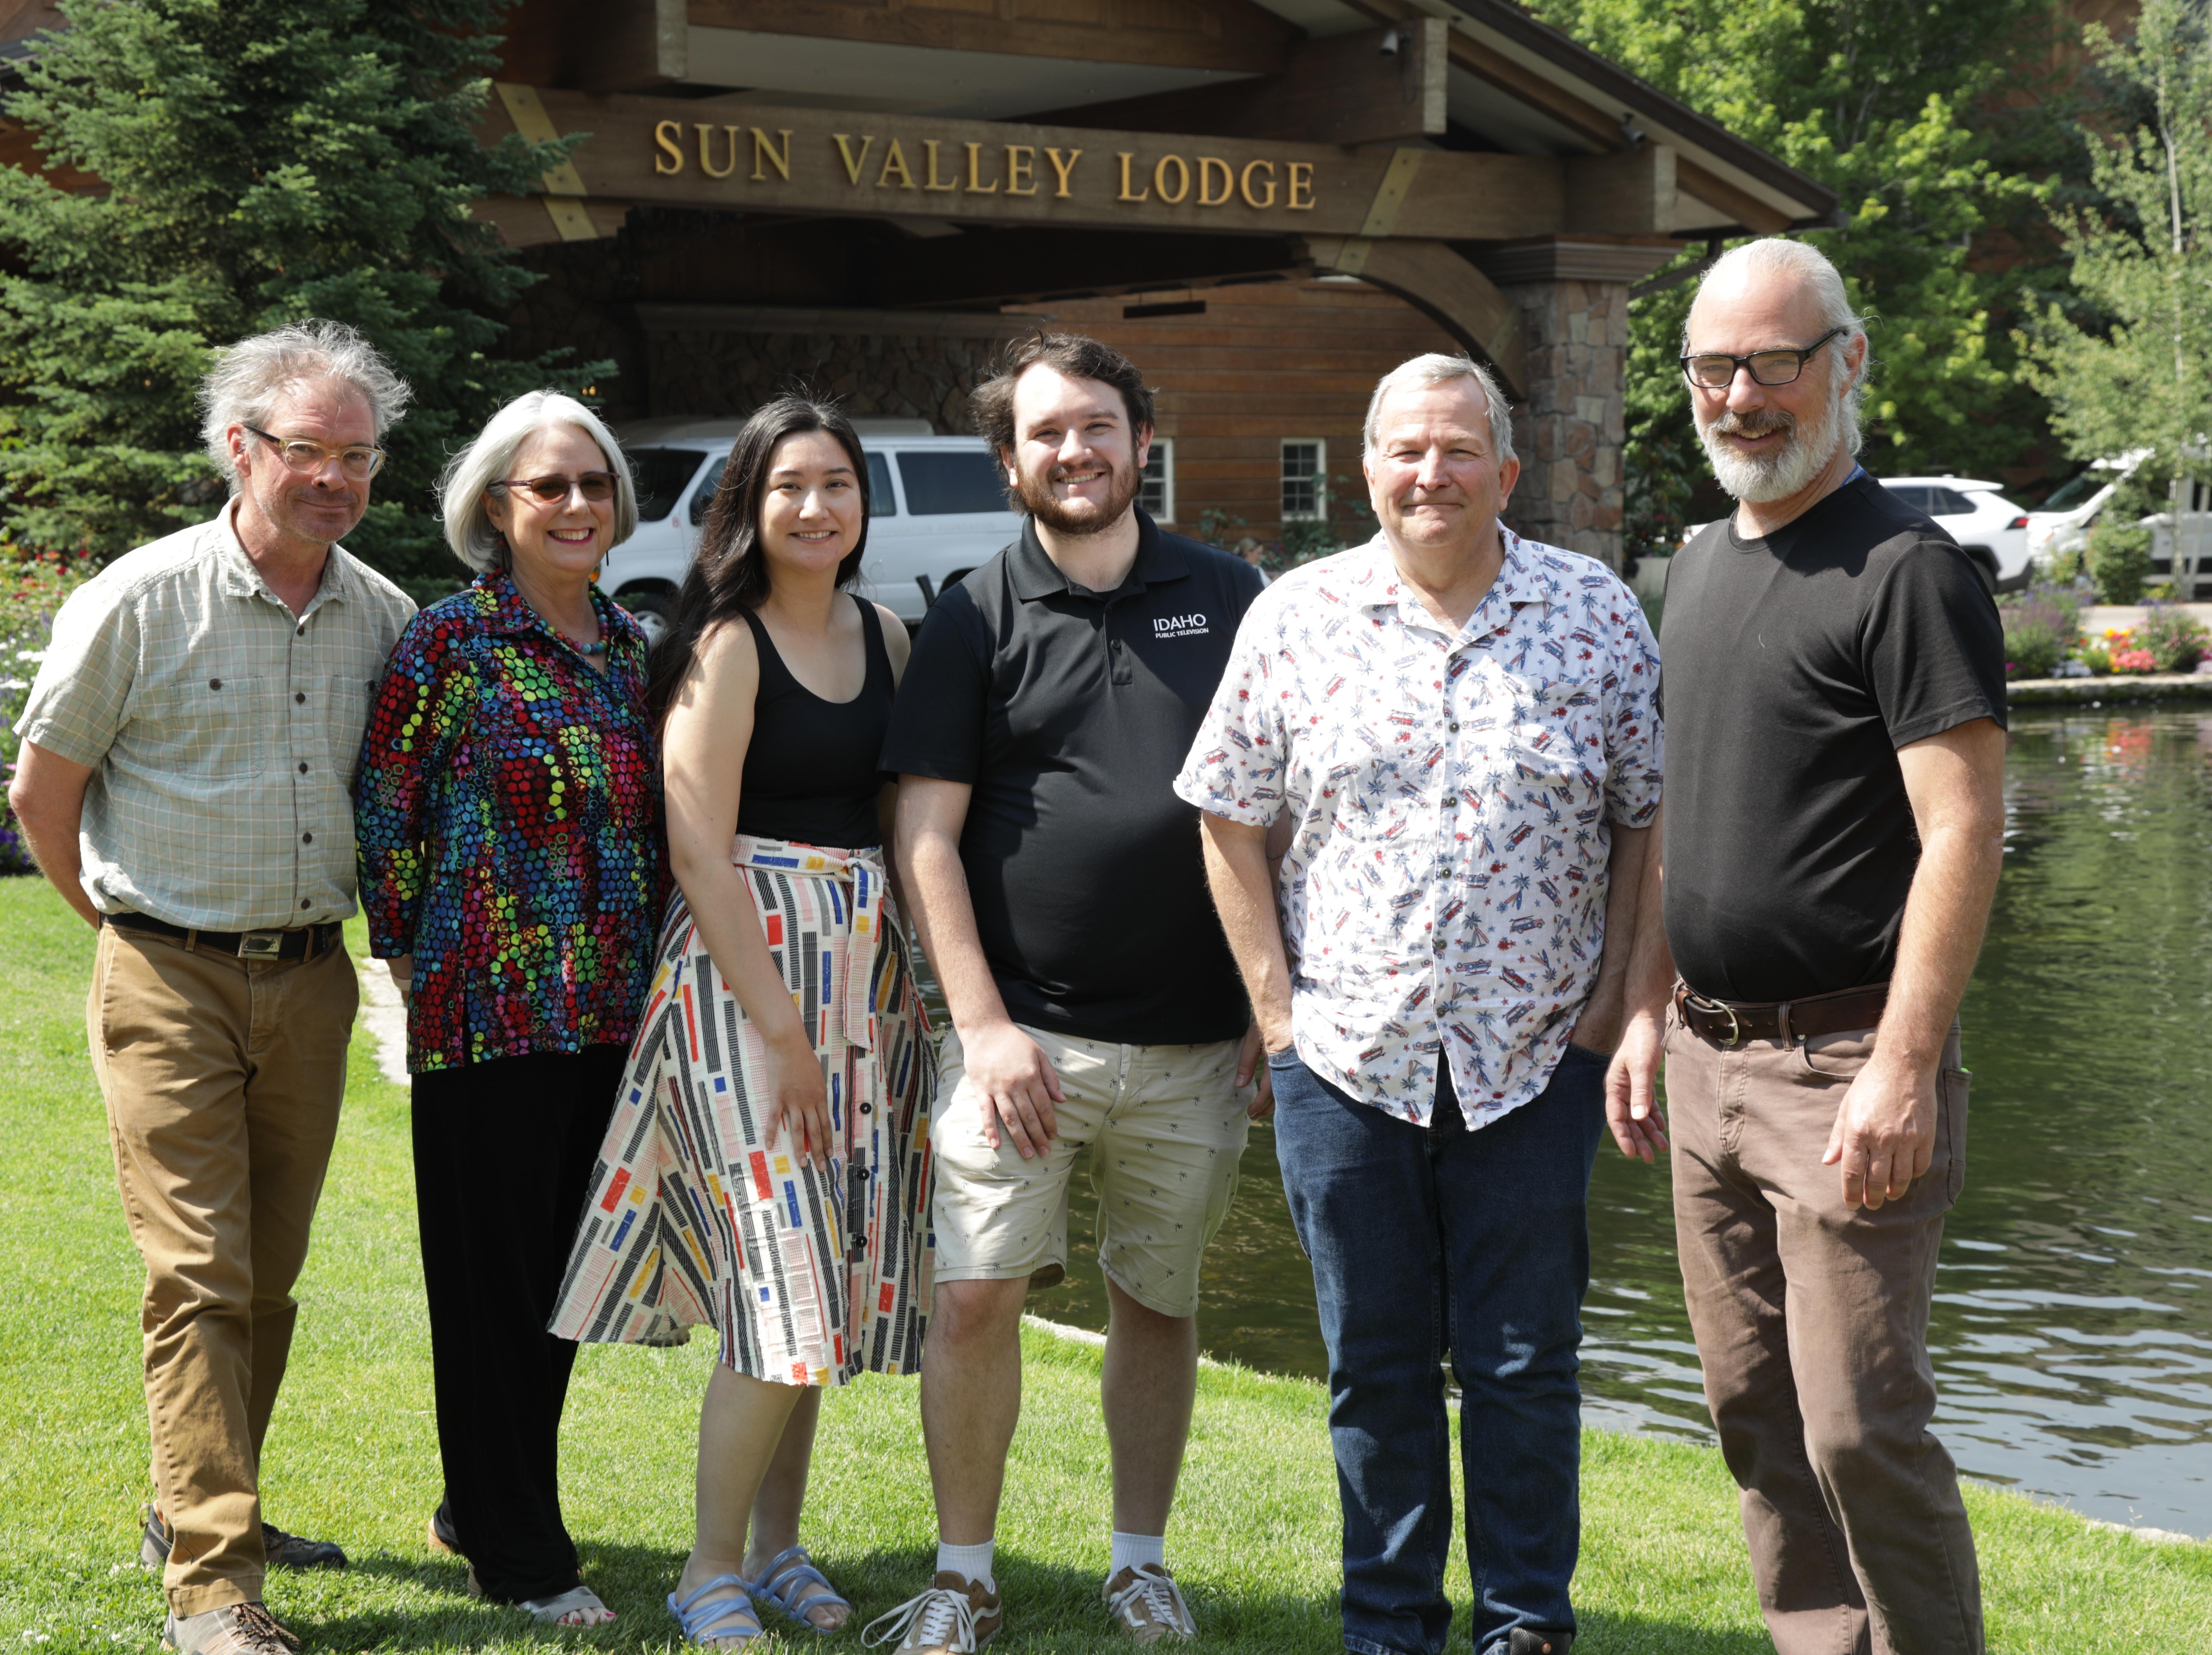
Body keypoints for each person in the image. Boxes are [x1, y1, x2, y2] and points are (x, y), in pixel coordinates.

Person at [1177, 353, 1663, 1655]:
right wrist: (1277, 1021)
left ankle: (1524, 1625)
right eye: (1406, 451)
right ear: (1368, 469)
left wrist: (1619, 1011)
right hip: (1344, 1060)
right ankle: (1389, 1627)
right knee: (1374, 1371)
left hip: (1535, 1058)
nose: (1430, 474)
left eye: (1458, 451)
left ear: (1507, 472)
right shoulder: (1295, 615)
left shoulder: (1596, 613)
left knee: (1524, 1368)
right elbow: (1228, 816)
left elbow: (1649, 823)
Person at [1599, 238, 2006, 1655]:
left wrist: (1907, 1065)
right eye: (1715, 366)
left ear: (1847, 362)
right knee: (1754, 1418)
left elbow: (1962, 833)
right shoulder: (1704, 561)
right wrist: (1648, 1010)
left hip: (1846, 1072)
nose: (1741, 394)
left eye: (1774, 362)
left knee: (1858, 1428)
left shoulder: (1909, 573)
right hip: (1709, 1064)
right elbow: (1681, 817)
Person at [7, 321, 418, 1655]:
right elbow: (44, 792)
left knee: (270, 1278)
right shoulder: (140, 598)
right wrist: (129, 936)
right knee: (197, 1273)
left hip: (308, 982)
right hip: (166, 973)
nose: (337, 479)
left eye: (358, 456)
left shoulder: (384, 615)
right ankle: (214, 1589)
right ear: (240, 449)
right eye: (310, 451)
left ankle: (193, 1510)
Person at [867, 333, 1268, 1654]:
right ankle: (964, 1575)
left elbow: (1284, 814)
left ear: (1140, 442)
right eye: (1047, 434)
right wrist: (980, 1029)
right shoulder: (970, 613)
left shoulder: (1233, 594)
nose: (1075, 452)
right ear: (1009, 461)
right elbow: (926, 838)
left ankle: (1139, 1565)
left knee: (1158, 1299)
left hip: (1200, 1042)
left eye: (1097, 426)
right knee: (978, 1294)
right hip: (1021, 1039)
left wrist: (1278, 1010)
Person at [547, 396, 937, 1651]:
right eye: (788, 488)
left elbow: (903, 821)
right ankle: (707, 1571)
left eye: (836, 484)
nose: (815, 508)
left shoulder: (888, 633)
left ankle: (778, 1551)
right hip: (744, 979)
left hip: (863, 975)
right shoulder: (725, 643)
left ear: (862, 501)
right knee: (784, 1279)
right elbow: (696, 848)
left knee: (818, 1273)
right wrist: (779, 1029)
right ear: (749, 508)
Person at [353, 390, 668, 1630]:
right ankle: (522, 1557)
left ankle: (476, 1504)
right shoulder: (447, 645)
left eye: (594, 485)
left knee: (562, 1291)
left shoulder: (637, 648)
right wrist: (426, 968)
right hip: (487, 1017)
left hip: (612, 1017)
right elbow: (389, 821)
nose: (579, 506)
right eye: (550, 487)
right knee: (488, 1290)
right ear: (497, 506)